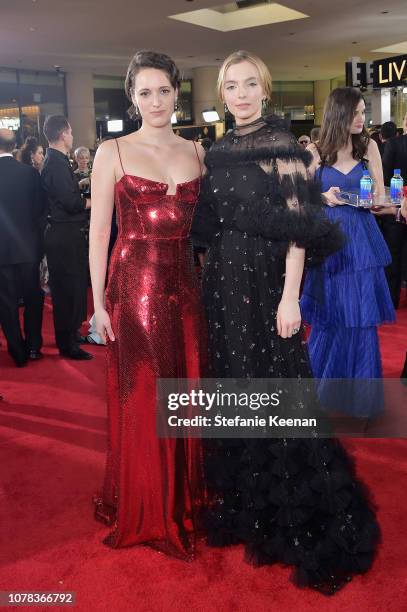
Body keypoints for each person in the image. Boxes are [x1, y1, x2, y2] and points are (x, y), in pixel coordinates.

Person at [192, 51, 380, 595]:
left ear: (266, 89)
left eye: (252, 83)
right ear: (222, 93)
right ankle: (248, 504)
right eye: (232, 85)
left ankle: (291, 515)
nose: (242, 93)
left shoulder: (285, 147)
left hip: (269, 285)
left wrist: (290, 297)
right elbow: (208, 230)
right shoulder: (218, 151)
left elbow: (300, 229)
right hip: (223, 287)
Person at [89, 50, 206, 558]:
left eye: (163, 90)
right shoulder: (111, 152)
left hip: (186, 286)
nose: (155, 101)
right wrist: (97, 304)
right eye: (144, 92)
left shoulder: (198, 152)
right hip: (134, 288)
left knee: (186, 391)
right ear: (132, 97)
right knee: (145, 396)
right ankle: (149, 507)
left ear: (176, 93)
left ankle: (184, 498)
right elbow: (97, 235)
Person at [300, 88, 395, 416]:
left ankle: (360, 398)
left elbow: (381, 197)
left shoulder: (368, 146)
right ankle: (323, 391)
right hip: (328, 244)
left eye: (363, 112)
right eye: (355, 112)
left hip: (361, 243)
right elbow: (297, 203)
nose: (361, 119)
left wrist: (380, 201)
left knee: (361, 320)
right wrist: (323, 198)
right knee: (331, 318)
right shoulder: (314, 151)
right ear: (337, 114)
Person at [41, 115, 92, 360]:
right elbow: (70, 202)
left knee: (73, 286)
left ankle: (71, 334)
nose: (72, 137)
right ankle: (67, 343)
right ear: (63, 134)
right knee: (66, 289)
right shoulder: (56, 163)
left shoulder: (57, 161)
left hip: (66, 233)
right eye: (71, 133)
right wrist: (92, 201)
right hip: (63, 235)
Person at [0, 128, 45, 365]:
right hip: (27, 247)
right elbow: (40, 213)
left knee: (6, 302)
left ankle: (17, 351)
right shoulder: (29, 174)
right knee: (32, 298)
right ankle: (33, 347)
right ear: (14, 145)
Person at [376, 122, 407, 308]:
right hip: (396, 207)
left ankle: (391, 300)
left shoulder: (393, 145)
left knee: (393, 255)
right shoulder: (394, 144)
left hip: (394, 206)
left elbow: (384, 176)